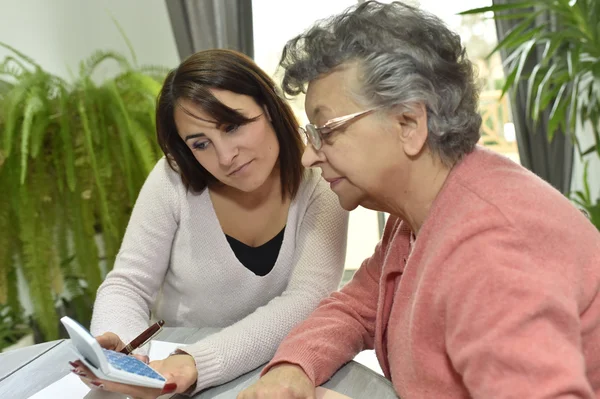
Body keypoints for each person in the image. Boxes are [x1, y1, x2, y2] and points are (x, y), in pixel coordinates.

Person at [238, 1, 600, 398]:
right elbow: (356, 307)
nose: (310, 155)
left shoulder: (491, 251)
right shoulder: (419, 209)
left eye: (327, 130)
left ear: (409, 124)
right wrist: (291, 369)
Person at [70, 49, 348, 398]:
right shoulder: (173, 178)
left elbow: (308, 300)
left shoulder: (321, 181)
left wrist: (197, 362)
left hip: (273, 372)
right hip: (173, 376)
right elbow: (128, 285)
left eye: (232, 126)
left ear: (270, 107)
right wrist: (122, 353)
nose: (225, 156)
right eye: (200, 144)